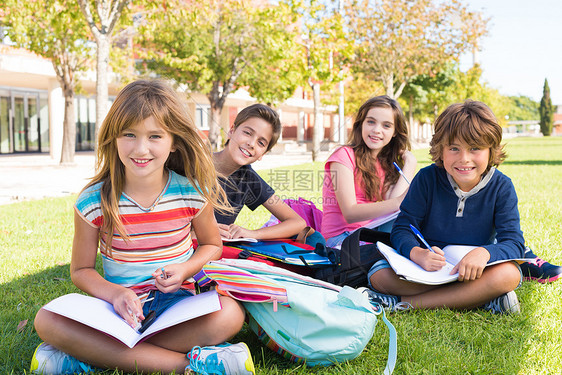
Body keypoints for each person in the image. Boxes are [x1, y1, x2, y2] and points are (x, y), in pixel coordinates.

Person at [30, 80, 255, 375]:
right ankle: (188, 366)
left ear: (173, 140)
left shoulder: (191, 192)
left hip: (177, 307)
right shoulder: (92, 202)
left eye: (155, 136)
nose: (141, 148)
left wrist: (185, 270)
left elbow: (212, 245)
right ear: (114, 137)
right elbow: (81, 270)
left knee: (230, 315)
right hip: (116, 309)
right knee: (47, 319)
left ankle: (90, 356)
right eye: (129, 134)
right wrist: (115, 295)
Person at [365, 100, 528, 315]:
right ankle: (481, 299)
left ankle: (403, 303)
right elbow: (403, 227)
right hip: (425, 270)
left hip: (474, 271)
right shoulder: (427, 179)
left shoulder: (502, 187)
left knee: (509, 275)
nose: (464, 159)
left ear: (491, 150)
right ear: (440, 150)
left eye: (475, 149)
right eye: (454, 148)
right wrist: (416, 253)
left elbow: (514, 243)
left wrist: (484, 254)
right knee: (379, 276)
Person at [213, 103, 324, 246]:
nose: (252, 143)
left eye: (261, 143)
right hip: (183, 248)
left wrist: (253, 233)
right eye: (247, 133)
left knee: (314, 239)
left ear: (262, 154)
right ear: (231, 131)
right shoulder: (195, 163)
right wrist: (202, 233)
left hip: (213, 253)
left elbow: (297, 223)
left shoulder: (247, 177)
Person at [321, 96, 416, 248]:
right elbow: (350, 213)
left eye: (386, 125)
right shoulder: (343, 156)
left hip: (371, 230)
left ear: (395, 133)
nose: (376, 130)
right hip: (341, 237)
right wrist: (398, 202)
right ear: (361, 125)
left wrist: (410, 164)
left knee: (404, 225)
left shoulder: (385, 163)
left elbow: (394, 205)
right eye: (371, 122)